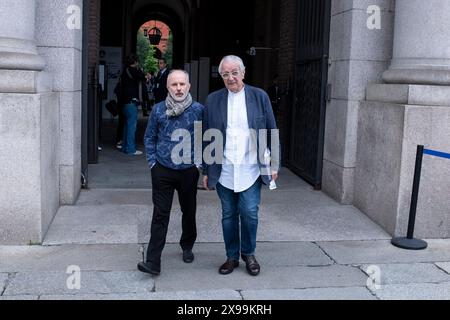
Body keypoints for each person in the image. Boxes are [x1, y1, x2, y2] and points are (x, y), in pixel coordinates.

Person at [202, 55, 279, 276]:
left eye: (234, 72)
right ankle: (231, 256)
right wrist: (206, 170)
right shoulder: (213, 100)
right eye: (225, 74)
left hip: (251, 168)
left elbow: (271, 130)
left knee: (249, 212)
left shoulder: (259, 96)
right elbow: (207, 136)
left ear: (243, 73)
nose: (230, 77)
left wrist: (273, 163)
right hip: (224, 168)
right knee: (228, 214)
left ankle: (249, 253)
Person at [138, 70, 204, 276]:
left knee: (188, 210)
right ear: (167, 87)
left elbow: (207, 138)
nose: (178, 88)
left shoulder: (199, 110)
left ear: (189, 86)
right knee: (160, 214)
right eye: (174, 84)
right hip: (162, 170)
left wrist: (199, 166)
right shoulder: (158, 110)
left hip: (188, 171)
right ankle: (153, 261)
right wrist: (152, 164)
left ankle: (187, 246)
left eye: (182, 84)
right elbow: (149, 138)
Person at [119, 53, 148, 155]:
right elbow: (144, 78)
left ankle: (124, 147)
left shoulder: (125, 71)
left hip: (124, 102)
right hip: (131, 102)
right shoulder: (135, 71)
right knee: (132, 127)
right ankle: (131, 149)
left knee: (126, 126)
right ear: (135, 62)